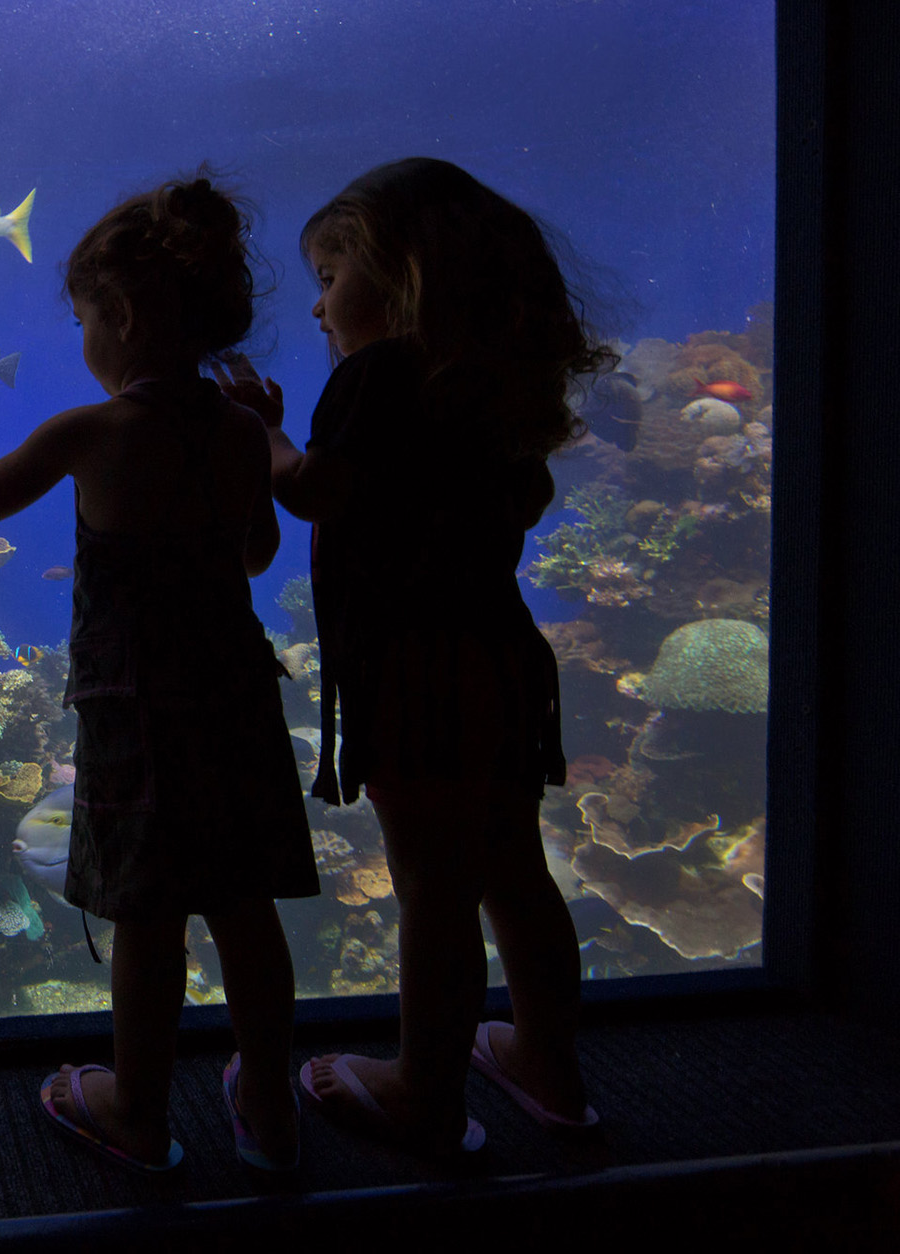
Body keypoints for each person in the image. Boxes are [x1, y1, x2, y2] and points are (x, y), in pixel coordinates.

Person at [0, 175, 318, 1173]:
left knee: (147, 912)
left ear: (116, 317)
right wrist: (262, 430)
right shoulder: (242, 430)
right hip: (238, 697)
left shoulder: (92, 430)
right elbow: (253, 558)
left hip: (139, 709)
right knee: (245, 908)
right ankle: (274, 1116)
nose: (81, 338)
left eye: (80, 318)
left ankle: (139, 1112)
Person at [214, 156, 610, 1155]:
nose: (315, 305)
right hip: (501, 663)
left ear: (402, 274)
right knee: (516, 873)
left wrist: (266, 441)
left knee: (432, 889)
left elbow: (325, 493)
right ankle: (549, 1066)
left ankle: (422, 1092)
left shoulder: (377, 375)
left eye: (331, 271)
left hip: (418, 678)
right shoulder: (489, 385)